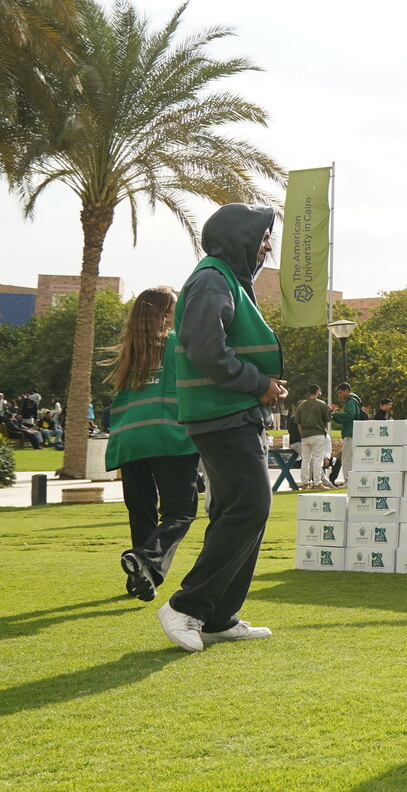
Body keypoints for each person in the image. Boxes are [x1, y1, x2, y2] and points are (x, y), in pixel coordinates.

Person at [158, 203, 287, 652]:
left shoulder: (224, 278)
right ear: (239, 238)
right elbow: (204, 346)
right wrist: (259, 384)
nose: (267, 245)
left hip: (231, 413)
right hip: (222, 413)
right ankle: (187, 606)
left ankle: (217, 616)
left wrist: (261, 389)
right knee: (250, 506)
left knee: (241, 510)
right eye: (263, 236)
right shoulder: (214, 279)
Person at [104, 286, 200, 602]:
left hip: (129, 440)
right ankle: (146, 559)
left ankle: (140, 579)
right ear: (166, 313)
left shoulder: (128, 353)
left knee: (141, 512)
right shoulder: (178, 344)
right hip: (167, 435)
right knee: (181, 511)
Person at [293, 385, 332, 490]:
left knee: (305, 460)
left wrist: (302, 434)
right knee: (317, 459)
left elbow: (298, 423)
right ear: (318, 392)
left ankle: (304, 483)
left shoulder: (301, 406)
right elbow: (328, 419)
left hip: (305, 435)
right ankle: (317, 482)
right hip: (318, 434)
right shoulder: (321, 404)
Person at [330, 381, 363, 486]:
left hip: (350, 433)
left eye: (340, 392)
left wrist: (335, 414)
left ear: (347, 390)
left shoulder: (351, 401)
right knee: (351, 458)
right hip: (353, 432)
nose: (340, 395)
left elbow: (349, 415)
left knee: (347, 458)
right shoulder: (354, 401)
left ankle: (348, 481)